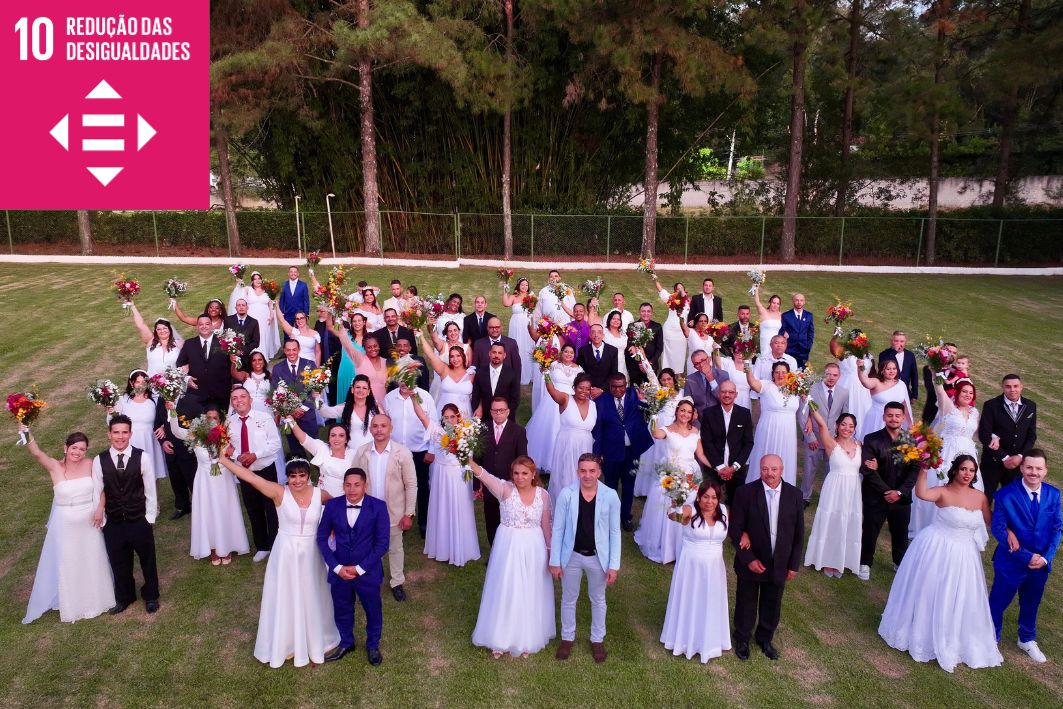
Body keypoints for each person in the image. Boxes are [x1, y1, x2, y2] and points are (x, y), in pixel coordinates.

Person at [878, 456, 1002, 673]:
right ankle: (922, 632)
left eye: (971, 470)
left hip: (966, 555)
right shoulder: (943, 492)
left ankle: (952, 634)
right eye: (963, 469)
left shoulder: (980, 497)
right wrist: (923, 470)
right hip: (937, 548)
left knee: (960, 594)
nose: (967, 473)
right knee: (930, 590)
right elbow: (922, 493)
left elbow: (991, 522)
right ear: (955, 471)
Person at [218, 456, 340, 667]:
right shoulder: (279, 492)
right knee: (286, 595)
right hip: (286, 553)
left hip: (312, 553)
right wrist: (224, 460)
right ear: (287, 478)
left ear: (308, 476)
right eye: (292, 476)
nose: (297, 480)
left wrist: (332, 528)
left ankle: (314, 636)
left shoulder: (320, 494)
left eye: (302, 475)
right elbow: (251, 477)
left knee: (313, 592)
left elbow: (338, 508)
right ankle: (287, 642)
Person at [20, 428, 115, 624]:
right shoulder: (55, 466)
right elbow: (37, 453)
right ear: (65, 448)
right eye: (74, 448)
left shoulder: (90, 464)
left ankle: (100, 599)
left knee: (93, 557)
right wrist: (26, 431)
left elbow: (102, 488)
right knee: (70, 560)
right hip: (66, 524)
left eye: (82, 449)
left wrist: (100, 509)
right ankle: (74, 604)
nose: (77, 452)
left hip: (90, 521)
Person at [469, 456, 555, 657]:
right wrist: (467, 458)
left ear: (533, 474)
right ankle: (500, 637)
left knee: (530, 589)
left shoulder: (543, 495)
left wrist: (550, 552)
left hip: (534, 546)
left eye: (524, 473)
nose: (520, 477)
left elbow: (546, 526)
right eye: (516, 473)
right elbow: (483, 475)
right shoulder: (505, 490)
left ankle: (527, 637)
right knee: (506, 588)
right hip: (508, 547)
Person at [729, 454, 804, 661]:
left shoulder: (794, 495)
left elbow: (798, 534)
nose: (769, 473)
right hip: (752, 561)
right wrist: (749, 559)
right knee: (746, 601)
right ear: (759, 469)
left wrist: (793, 565)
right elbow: (735, 529)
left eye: (774, 469)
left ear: (782, 470)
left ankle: (765, 638)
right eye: (764, 469)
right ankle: (742, 638)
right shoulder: (745, 493)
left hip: (779, 561)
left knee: (773, 602)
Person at [989, 450, 1061, 664]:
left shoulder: (1054, 495)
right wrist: (1026, 556)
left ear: (1045, 471)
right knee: (998, 602)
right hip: (1011, 562)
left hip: (1040, 565)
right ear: (1021, 468)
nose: (1033, 472)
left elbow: (1057, 528)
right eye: (1029, 467)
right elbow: (999, 529)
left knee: (1031, 603)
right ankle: (991, 637)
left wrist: (1046, 558)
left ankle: (1027, 638)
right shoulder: (1005, 495)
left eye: (1038, 468)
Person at [550, 454, 621, 663]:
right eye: (583, 471)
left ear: (599, 472)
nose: (587, 475)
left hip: (598, 558)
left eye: (592, 471)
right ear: (577, 472)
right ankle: (567, 637)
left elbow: (615, 532)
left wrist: (613, 565)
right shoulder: (567, 494)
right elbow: (558, 529)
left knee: (598, 599)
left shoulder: (610, 496)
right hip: (571, 555)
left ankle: (597, 639)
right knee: (568, 598)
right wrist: (555, 561)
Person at [316, 467, 389, 666]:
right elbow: (322, 538)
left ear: (365, 485)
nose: (352, 489)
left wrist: (359, 569)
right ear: (343, 486)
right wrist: (336, 567)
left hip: (368, 572)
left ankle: (373, 645)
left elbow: (382, 544)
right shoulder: (332, 506)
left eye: (357, 485)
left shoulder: (378, 507)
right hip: (339, 571)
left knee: (373, 609)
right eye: (348, 485)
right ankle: (346, 642)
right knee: (342, 609)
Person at [91, 415, 160, 615]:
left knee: (147, 560)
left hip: (139, 519)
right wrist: (104, 520)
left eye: (124, 432)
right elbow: (97, 491)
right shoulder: (99, 460)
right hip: (113, 522)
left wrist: (149, 518)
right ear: (109, 434)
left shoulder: (143, 457)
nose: (120, 437)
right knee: (119, 561)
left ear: (130, 434)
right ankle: (125, 596)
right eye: (116, 432)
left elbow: (150, 490)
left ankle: (151, 595)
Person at [659, 479, 731, 663]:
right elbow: (672, 516)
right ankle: (685, 639)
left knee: (711, 601)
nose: (710, 501)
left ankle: (710, 641)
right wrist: (676, 504)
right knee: (691, 599)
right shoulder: (689, 511)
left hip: (715, 568)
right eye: (705, 497)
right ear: (698, 497)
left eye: (714, 497)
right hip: (691, 568)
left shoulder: (723, 511)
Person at [168, 404, 249, 565]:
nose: (212, 421)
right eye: (208, 418)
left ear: (220, 419)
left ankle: (227, 545)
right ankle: (212, 546)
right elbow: (176, 431)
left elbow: (237, 452)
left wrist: (233, 452)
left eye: (215, 418)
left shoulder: (227, 434)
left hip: (224, 479)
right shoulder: (195, 435)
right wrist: (172, 411)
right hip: (204, 479)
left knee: (225, 509)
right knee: (208, 511)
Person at [635, 399, 712, 564]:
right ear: (677, 411)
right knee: (668, 506)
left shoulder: (695, 431)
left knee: (689, 505)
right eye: (682, 410)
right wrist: (654, 416)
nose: (685, 414)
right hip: (671, 473)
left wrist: (717, 468)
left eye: (689, 412)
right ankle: (666, 546)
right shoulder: (667, 429)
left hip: (691, 474)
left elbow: (700, 455)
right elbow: (655, 434)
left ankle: (684, 545)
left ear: (693, 415)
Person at [352, 414, 418, 601]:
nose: (379, 429)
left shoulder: (402, 453)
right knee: (369, 547)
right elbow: (354, 480)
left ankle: (397, 582)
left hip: (394, 511)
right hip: (368, 511)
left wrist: (409, 513)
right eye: (375, 426)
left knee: (395, 547)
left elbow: (411, 484)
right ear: (370, 429)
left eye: (383, 426)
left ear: (391, 428)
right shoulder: (362, 452)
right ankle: (372, 579)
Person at [910, 378, 981, 538]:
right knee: (943, 483)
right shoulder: (948, 407)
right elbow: (939, 389)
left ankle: (960, 523)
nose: (967, 395)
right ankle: (931, 522)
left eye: (971, 393)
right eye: (964, 391)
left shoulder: (975, 413)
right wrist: (936, 370)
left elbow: (977, 433)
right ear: (957, 392)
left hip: (968, 453)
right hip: (948, 453)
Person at [858, 402, 920, 581]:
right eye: (890, 415)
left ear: (903, 418)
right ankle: (865, 563)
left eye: (897, 416)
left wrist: (899, 493)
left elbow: (915, 470)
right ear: (884, 417)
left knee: (900, 532)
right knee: (870, 530)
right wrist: (887, 491)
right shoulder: (872, 439)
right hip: (875, 495)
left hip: (901, 497)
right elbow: (867, 470)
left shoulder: (912, 441)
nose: (893, 419)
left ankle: (899, 563)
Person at [418, 403, 481, 567]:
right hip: (441, 476)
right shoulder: (437, 431)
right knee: (442, 508)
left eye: (452, 417)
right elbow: (422, 416)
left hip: (460, 476)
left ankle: (461, 547)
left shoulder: (466, 431)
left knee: (460, 508)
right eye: (446, 417)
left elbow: (471, 458)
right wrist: (412, 397)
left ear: (458, 417)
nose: (449, 420)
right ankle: (442, 548)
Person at [802, 410, 862, 578]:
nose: (847, 428)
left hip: (853, 490)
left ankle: (842, 560)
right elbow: (821, 424)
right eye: (843, 424)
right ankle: (827, 560)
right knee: (833, 521)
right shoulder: (831, 443)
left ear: (855, 428)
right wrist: (810, 403)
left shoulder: (859, 445)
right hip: (835, 488)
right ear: (837, 425)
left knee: (848, 522)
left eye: (851, 426)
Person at [227, 386, 283, 562]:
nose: (239, 400)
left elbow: (275, 444)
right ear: (232, 403)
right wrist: (238, 456)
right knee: (253, 508)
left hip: (265, 470)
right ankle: (262, 546)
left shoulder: (264, 418)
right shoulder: (229, 423)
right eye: (235, 398)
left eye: (243, 396)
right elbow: (228, 447)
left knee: (271, 508)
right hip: (245, 473)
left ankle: (275, 545)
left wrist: (255, 455)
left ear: (250, 399)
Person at [594, 373, 653, 532]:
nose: (618, 390)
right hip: (611, 452)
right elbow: (598, 430)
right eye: (614, 386)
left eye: (621, 386)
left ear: (626, 384)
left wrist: (645, 400)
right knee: (610, 486)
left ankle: (625, 516)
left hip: (632, 451)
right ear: (609, 386)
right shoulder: (601, 402)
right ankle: (609, 517)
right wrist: (597, 455)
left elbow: (650, 411)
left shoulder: (635, 395)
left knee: (628, 486)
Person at [382, 382, 435, 539]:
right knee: (397, 487)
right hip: (396, 451)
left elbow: (434, 424)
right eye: (402, 378)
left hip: (419, 450)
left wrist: (431, 450)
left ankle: (423, 522)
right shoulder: (389, 398)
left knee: (422, 487)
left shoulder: (425, 397)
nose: (405, 382)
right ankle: (400, 521)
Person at [477, 397, 529, 545]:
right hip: (489, 482)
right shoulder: (482, 429)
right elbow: (477, 457)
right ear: (490, 412)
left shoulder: (518, 431)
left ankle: (508, 548)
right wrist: (477, 483)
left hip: (509, 483)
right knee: (491, 518)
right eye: (495, 411)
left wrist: (519, 483)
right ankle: (494, 549)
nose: (498, 414)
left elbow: (522, 459)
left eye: (501, 410)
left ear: (508, 411)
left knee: (508, 519)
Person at [797, 362, 850, 506]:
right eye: (828, 374)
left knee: (831, 470)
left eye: (835, 375)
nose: (831, 378)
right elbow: (802, 415)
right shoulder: (811, 389)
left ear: (839, 376)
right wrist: (810, 438)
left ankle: (829, 497)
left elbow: (844, 417)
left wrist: (840, 439)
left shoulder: (844, 393)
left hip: (832, 440)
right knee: (809, 469)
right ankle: (805, 497)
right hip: (813, 437)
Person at [978, 373, 1037, 499]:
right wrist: (1004, 457)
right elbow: (984, 434)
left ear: (1021, 387)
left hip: (1017, 464)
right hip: (992, 461)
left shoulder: (1031, 406)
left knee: (1013, 500)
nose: (1012, 390)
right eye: (1008, 386)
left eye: (1016, 386)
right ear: (1003, 387)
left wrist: (1020, 457)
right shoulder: (991, 405)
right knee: (984, 497)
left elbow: (1031, 436)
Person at [526, 344, 582, 475]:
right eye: (566, 351)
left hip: (569, 401)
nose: (568, 354)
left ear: (574, 355)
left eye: (571, 352)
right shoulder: (553, 364)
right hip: (552, 400)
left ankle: (563, 463)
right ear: (561, 353)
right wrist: (544, 371)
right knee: (550, 428)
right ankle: (546, 461)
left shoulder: (579, 369)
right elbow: (546, 376)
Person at [229, 349, 286, 476]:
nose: (257, 362)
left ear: (264, 362)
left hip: (266, 411)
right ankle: (248, 465)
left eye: (260, 360)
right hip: (248, 410)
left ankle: (275, 471)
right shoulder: (246, 375)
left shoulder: (270, 376)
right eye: (254, 360)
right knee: (250, 437)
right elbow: (234, 373)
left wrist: (277, 415)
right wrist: (233, 362)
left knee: (268, 438)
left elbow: (276, 397)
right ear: (251, 363)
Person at [744, 361, 802, 486]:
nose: (780, 375)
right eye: (777, 372)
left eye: (783, 372)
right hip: (768, 431)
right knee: (765, 457)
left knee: (785, 459)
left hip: (788, 434)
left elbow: (805, 406)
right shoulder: (767, 385)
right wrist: (747, 363)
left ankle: (783, 492)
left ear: (789, 374)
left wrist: (808, 421)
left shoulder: (796, 388)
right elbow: (752, 382)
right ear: (772, 374)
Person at [107, 370, 168, 486]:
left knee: (151, 476)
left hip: (150, 441)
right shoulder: (123, 400)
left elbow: (165, 417)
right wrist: (111, 413)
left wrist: (163, 427)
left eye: (144, 382)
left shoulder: (154, 399)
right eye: (137, 382)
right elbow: (112, 422)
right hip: (131, 441)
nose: (141, 385)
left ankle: (153, 497)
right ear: (131, 383)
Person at [701, 380, 755, 509]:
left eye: (731, 392)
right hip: (713, 469)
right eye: (724, 392)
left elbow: (748, 443)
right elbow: (707, 442)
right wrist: (720, 468)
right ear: (718, 394)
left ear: (736, 395)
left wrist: (734, 467)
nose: (727, 395)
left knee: (737, 506)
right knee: (709, 504)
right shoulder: (708, 414)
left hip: (737, 470)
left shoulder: (744, 414)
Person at [545, 372, 597, 501]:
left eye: (587, 389)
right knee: (566, 477)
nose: (584, 391)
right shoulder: (565, 399)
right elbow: (552, 390)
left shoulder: (593, 405)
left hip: (585, 446)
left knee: (583, 476)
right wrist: (546, 373)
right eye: (580, 387)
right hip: (567, 444)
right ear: (574, 387)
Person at [633, 367, 681, 497]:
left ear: (674, 379)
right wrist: (643, 399)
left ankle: (667, 487)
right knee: (652, 455)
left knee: (666, 455)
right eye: (663, 380)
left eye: (669, 379)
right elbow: (648, 403)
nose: (666, 382)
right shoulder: (658, 392)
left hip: (671, 427)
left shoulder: (681, 393)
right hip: (656, 425)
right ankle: (647, 489)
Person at [271, 340, 320, 460]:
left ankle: (320, 469)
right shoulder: (277, 368)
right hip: (289, 415)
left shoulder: (310, 364)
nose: (291, 353)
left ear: (299, 350)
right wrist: (290, 409)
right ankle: (301, 467)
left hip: (307, 413)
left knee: (315, 447)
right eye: (288, 350)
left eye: (294, 349)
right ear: (284, 350)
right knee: (295, 449)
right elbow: (275, 392)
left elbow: (315, 389)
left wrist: (303, 408)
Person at [176, 314, 233, 409]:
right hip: (197, 392)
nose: (204, 327)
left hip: (220, 393)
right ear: (197, 326)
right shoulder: (189, 343)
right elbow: (180, 363)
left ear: (212, 326)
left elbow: (232, 364)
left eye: (207, 324)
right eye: (201, 324)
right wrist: (187, 378)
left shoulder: (223, 343)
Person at [291, 421, 359, 497]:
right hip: (322, 496)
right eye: (333, 435)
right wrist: (290, 421)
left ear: (346, 439)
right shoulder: (322, 448)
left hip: (344, 498)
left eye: (341, 436)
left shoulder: (354, 455)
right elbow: (304, 439)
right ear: (329, 438)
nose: (336, 439)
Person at [319, 374, 380, 456]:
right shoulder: (345, 408)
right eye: (358, 387)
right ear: (352, 389)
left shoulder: (375, 408)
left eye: (364, 388)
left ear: (369, 391)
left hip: (372, 452)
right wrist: (318, 397)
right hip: (351, 453)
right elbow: (325, 412)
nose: (361, 390)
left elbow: (386, 425)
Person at [419, 331, 475, 418]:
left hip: (465, 414)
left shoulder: (471, 374)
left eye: (458, 356)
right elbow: (431, 355)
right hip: (445, 413)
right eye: (452, 356)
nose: (455, 359)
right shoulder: (444, 370)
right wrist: (421, 336)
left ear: (463, 357)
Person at [854, 356, 912, 441]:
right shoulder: (876, 382)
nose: (892, 371)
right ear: (882, 370)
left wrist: (910, 423)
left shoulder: (901, 384)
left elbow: (905, 405)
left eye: (894, 369)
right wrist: (860, 367)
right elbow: (864, 381)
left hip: (895, 420)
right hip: (877, 419)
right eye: (888, 369)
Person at [228, 270, 281, 360]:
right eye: (255, 279)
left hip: (265, 317)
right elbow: (239, 291)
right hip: (252, 316)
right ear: (252, 281)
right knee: (252, 334)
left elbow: (270, 304)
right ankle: (251, 354)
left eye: (259, 278)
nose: (257, 280)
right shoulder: (248, 289)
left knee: (263, 334)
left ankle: (263, 355)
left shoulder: (267, 290)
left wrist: (272, 316)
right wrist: (239, 281)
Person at [127, 303, 182, 376]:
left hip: (173, 381)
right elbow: (141, 325)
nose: (162, 331)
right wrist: (132, 306)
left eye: (165, 328)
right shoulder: (151, 341)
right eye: (159, 329)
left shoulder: (179, 344)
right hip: (153, 380)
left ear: (170, 329)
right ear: (155, 331)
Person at [500, 276, 536, 384]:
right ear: (518, 286)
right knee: (517, 346)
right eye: (522, 284)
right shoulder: (514, 297)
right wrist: (505, 290)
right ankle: (516, 372)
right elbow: (506, 303)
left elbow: (535, 309)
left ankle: (529, 373)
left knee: (528, 346)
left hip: (527, 323)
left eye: (526, 285)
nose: (524, 286)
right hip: (516, 324)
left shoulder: (531, 296)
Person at [471, 342, 520, 420]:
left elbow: (515, 399)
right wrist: (477, 408)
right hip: (484, 417)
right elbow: (475, 396)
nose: (496, 355)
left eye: (500, 353)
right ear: (489, 353)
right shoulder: (480, 373)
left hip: (505, 418)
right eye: (494, 352)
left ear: (504, 355)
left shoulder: (512, 374)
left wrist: (504, 414)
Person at [651, 275, 689, 374]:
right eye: (677, 289)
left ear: (685, 290)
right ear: (675, 291)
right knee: (668, 354)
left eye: (681, 288)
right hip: (670, 331)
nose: (680, 290)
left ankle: (678, 375)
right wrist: (655, 278)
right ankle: (666, 374)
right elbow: (661, 290)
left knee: (680, 354)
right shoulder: (671, 298)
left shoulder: (689, 302)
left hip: (682, 332)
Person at [624, 303, 663, 385]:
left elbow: (659, 348)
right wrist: (639, 361)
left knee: (651, 389)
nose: (646, 313)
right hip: (635, 365)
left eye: (648, 311)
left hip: (651, 364)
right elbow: (628, 344)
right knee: (635, 388)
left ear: (652, 313)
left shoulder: (657, 327)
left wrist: (650, 362)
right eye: (643, 311)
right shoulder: (632, 326)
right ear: (639, 312)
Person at [334, 312, 368, 407]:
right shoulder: (345, 334)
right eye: (354, 321)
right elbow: (331, 327)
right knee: (344, 400)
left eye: (359, 321)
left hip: (361, 371)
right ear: (351, 323)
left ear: (364, 322)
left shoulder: (368, 337)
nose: (357, 323)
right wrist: (337, 310)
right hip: (345, 370)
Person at [921, 342, 959, 425]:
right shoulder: (929, 369)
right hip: (931, 414)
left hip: (950, 418)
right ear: (942, 351)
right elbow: (931, 389)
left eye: (954, 353)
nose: (952, 354)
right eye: (949, 351)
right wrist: (937, 369)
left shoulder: (958, 373)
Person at [684, 349, 729, 417]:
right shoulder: (690, 380)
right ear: (694, 367)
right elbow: (687, 402)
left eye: (703, 360)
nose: (701, 365)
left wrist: (711, 379)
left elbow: (725, 399)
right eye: (697, 364)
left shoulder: (723, 375)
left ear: (709, 359)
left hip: (719, 417)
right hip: (699, 418)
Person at [878, 331, 918, 402]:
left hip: (904, 391)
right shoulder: (884, 354)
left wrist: (914, 394)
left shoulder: (910, 355)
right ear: (891, 341)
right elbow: (882, 367)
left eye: (902, 341)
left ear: (905, 342)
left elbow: (914, 375)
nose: (899, 343)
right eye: (896, 341)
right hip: (888, 391)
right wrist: (894, 352)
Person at [222, 298, 261, 371]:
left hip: (246, 356)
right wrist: (232, 352)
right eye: (239, 305)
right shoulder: (228, 320)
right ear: (235, 308)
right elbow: (225, 338)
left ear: (247, 307)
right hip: (231, 356)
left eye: (243, 305)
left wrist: (242, 352)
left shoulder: (254, 322)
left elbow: (256, 342)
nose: (241, 307)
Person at [779, 293, 814, 369]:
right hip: (789, 350)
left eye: (801, 300)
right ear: (793, 301)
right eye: (797, 300)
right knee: (788, 371)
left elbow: (810, 332)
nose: (799, 302)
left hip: (803, 350)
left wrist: (808, 346)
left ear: (804, 302)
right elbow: (781, 332)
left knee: (802, 372)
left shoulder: (809, 315)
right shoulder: (786, 315)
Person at [278, 266, 310, 333]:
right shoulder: (284, 285)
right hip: (287, 314)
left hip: (300, 315)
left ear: (298, 274)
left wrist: (306, 314)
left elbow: (306, 301)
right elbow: (282, 300)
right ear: (288, 274)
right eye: (291, 272)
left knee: (300, 333)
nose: (293, 273)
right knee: (287, 333)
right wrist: (281, 313)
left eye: (295, 272)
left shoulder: (303, 285)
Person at [752, 289, 782, 358]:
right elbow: (757, 303)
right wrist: (756, 289)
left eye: (778, 304)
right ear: (770, 303)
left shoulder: (781, 315)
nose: (775, 305)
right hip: (765, 343)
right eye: (774, 303)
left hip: (776, 344)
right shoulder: (764, 312)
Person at [600, 310, 630, 381]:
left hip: (622, 363)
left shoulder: (623, 334)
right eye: (614, 319)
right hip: (608, 363)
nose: (616, 321)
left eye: (618, 319)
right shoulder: (604, 332)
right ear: (609, 320)